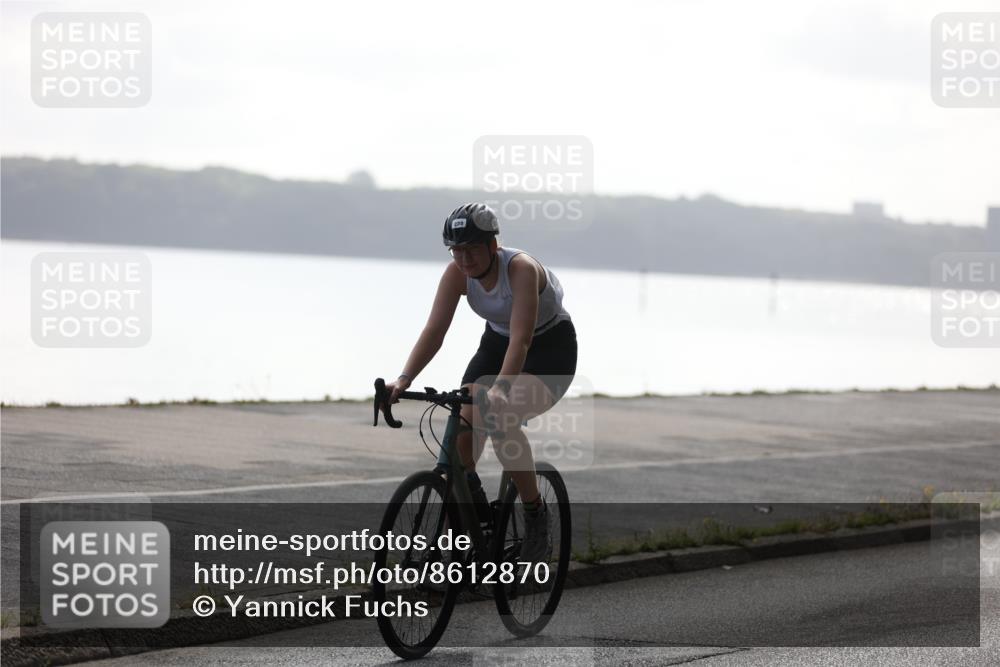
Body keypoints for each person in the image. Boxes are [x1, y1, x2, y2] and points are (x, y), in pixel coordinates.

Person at [385, 202, 577, 563]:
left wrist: (502, 389)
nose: (464, 259)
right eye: (456, 250)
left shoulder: (520, 269)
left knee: (499, 416)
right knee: (461, 430)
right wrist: (404, 378)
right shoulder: (456, 272)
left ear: (493, 245)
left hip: (548, 351)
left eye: (471, 248)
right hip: (495, 346)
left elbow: (521, 340)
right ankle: (475, 528)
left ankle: (535, 514)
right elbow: (434, 332)